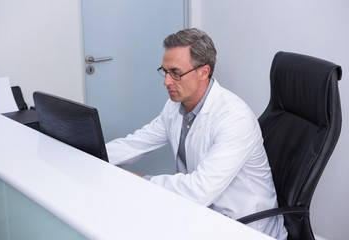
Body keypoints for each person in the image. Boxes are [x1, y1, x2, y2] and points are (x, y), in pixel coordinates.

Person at [106, 28, 287, 239]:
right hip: (201, 215)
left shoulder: (234, 118)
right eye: (164, 72)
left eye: (176, 73)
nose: (166, 82)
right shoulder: (175, 106)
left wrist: (141, 180)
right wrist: (93, 150)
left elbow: (201, 190)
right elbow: (137, 142)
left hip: (242, 227)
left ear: (203, 72)